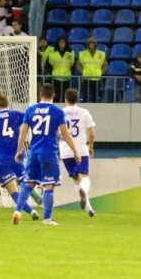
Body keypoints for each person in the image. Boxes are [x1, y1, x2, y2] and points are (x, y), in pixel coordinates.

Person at [13, 83, 80, 226]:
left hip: (33, 152)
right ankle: (47, 219)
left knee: (29, 183)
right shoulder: (57, 112)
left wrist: (19, 151)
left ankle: (18, 211)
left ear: (40, 95)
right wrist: (75, 151)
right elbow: (66, 134)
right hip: (48, 152)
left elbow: (23, 132)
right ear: (54, 95)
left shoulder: (30, 110)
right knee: (49, 185)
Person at [0, 93, 40, 221]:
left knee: (12, 190)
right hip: (16, 154)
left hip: (0, 158)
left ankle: (31, 211)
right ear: (8, 103)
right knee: (24, 180)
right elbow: (29, 120)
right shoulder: (15, 114)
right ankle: (27, 187)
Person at [60, 88, 96, 217]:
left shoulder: (61, 113)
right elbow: (91, 132)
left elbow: (57, 133)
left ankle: (89, 208)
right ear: (77, 100)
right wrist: (91, 147)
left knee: (76, 179)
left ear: (65, 99)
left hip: (65, 150)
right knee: (85, 176)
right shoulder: (84, 112)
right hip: (81, 149)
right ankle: (84, 192)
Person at [76, 37, 107, 103]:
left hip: (97, 78)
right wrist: (83, 71)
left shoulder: (101, 54)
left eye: (93, 43)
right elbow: (78, 65)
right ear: (88, 44)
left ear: (95, 44)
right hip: (86, 78)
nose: (92, 45)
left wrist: (101, 72)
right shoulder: (82, 54)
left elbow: (105, 65)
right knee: (85, 96)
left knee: (95, 96)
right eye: (90, 43)